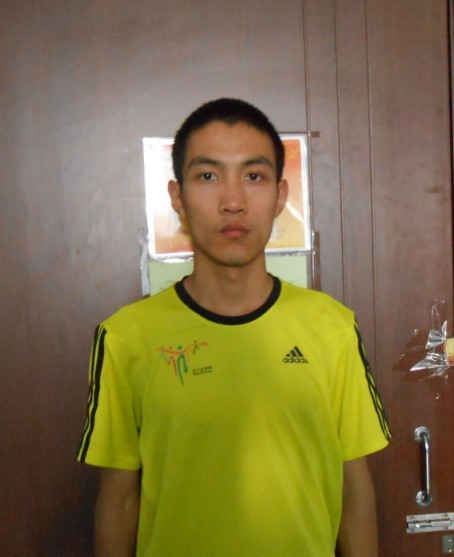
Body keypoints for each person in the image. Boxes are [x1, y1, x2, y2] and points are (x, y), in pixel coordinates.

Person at [77, 98, 391, 557]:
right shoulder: (127, 337)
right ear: (177, 197)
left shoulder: (332, 327)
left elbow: (354, 488)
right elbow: (119, 499)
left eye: (253, 176)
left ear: (280, 196)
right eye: (208, 176)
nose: (232, 202)